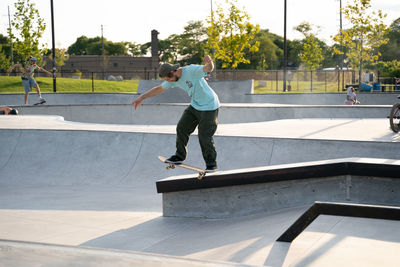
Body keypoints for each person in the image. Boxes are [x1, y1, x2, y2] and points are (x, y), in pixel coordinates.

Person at [132, 55, 220, 172]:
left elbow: (208, 69)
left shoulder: (191, 70)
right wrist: (141, 97)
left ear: (173, 71)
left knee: (204, 136)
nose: (168, 82)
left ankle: (211, 164)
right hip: (195, 106)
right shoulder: (172, 80)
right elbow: (159, 89)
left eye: (169, 78)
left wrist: (210, 63)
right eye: (166, 80)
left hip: (210, 106)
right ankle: (179, 156)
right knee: (181, 128)